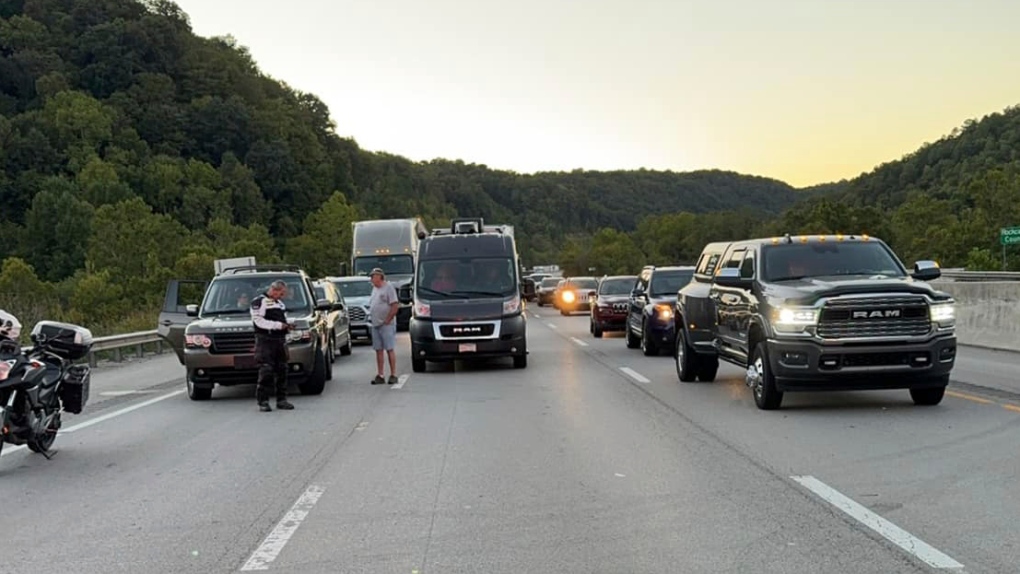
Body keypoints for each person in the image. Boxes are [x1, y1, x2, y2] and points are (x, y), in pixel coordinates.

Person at [250, 280, 295, 412]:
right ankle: (263, 400)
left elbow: (282, 320)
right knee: (266, 370)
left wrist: (288, 325)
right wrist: (278, 325)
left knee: (282, 369)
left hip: (280, 340)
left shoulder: (279, 304)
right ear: (274, 290)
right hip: (265, 340)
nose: (282, 297)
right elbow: (259, 321)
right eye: (281, 294)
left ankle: (282, 400)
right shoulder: (259, 302)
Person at [368, 267, 400, 384]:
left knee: (389, 348)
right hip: (376, 324)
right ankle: (380, 374)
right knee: (378, 350)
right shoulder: (374, 289)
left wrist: (388, 319)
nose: (371, 279)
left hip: (386, 324)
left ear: (379, 277)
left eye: (373, 276)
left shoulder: (388, 288)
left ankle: (393, 374)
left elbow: (395, 305)